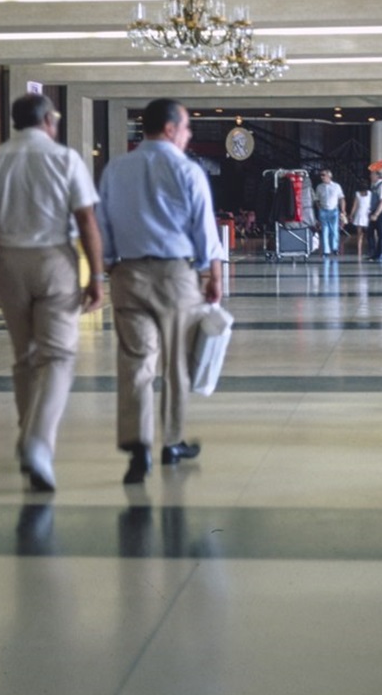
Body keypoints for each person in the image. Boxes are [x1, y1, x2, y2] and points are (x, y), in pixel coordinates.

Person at [0, 93, 104, 494]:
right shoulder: (66, 158)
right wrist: (98, 276)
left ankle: (26, 436)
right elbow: (86, 219)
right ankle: (39, 444)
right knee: (58, 357)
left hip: (7, 262)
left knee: (26, 358)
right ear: (49, 120)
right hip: (54, 260)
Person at [96, 98, 226, 486]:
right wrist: (213, 274)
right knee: (176, 364)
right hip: (175, 276)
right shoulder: (187, 169)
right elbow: (205, 228)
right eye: (186, 128)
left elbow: (101, 222)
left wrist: (110, 264)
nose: (188, 136)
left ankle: (138, 450)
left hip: (127, 273)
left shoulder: (116, 168)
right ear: (170, 129)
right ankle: (171, 442)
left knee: (136, 362)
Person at [313, 169, 346, 256]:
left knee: (334, 230)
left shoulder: (336, 186)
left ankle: (335, 248)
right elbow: (316, 200)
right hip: (323, 210)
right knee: (325, 231)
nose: (322, 177)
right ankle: (326, 251)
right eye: (321, 175)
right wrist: (319, 208)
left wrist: (343, 210)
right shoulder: (319, 187)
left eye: (323, 175)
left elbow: (341, 198)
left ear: (329, 176)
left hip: (334, 210)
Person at [367, 169, 382, 262]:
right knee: (370, 233)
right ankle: (374, 254)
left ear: (377, 176)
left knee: (381, 234)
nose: (370, 176)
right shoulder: (374, 186)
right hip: (373, 211)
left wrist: (376, 214)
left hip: (379, 213)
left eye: (372, 175)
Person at [348, 186, 371, 256]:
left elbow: (355, 205)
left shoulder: (369, 193)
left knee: (365, 233)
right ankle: (359, 249)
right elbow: (355, 205)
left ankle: (367, 247)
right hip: (361, 214)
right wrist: (351, 214)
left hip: (366, 214)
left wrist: (351, 215)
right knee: (360, 233)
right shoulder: (358, 194)